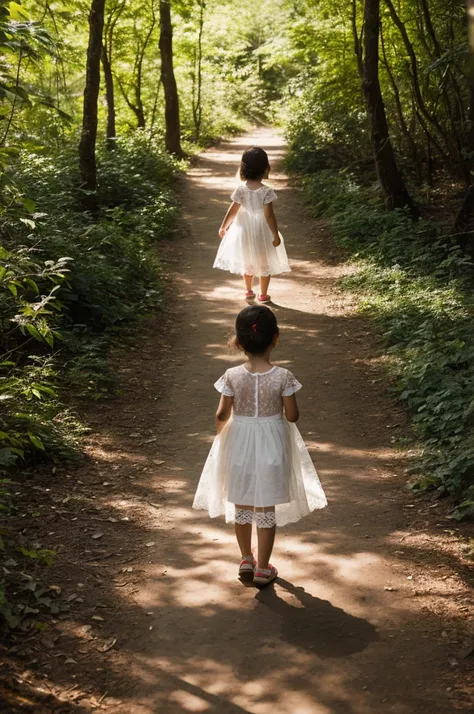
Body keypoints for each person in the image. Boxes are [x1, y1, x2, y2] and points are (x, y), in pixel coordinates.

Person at [193, 305, 327, 587]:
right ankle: (264, 568)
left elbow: (221, 415)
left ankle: (245, 558)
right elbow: (292, 416)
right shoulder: (283, 376)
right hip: (272, 446)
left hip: (239, 442)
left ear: (239, 342)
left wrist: (222, 437)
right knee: (266, 509)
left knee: (242, 503)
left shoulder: (231, 375)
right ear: (275, 338)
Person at [213, 147, 291, 303]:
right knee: (264, 262)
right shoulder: (266, 191)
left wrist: (224, 227)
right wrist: (275, 234)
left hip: (243, 229)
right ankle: (263, 294)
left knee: (247, 259)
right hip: (261, 230)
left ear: (243, 168)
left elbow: (233, 210)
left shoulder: (241, 189)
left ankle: (248, 291)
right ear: (266, 168)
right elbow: (269, 215)